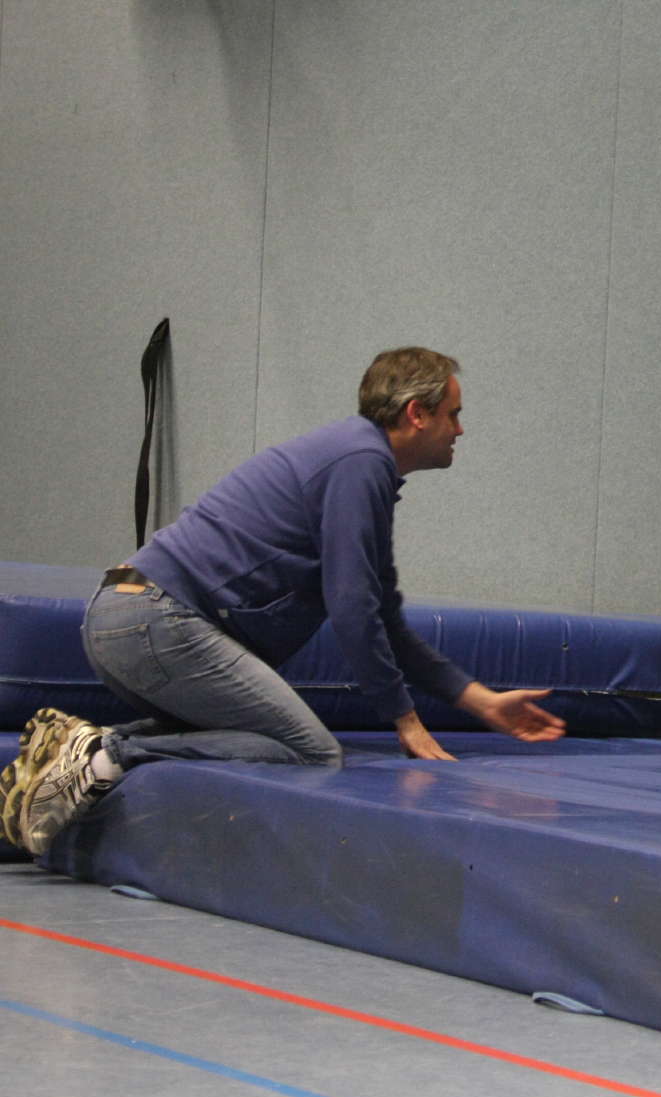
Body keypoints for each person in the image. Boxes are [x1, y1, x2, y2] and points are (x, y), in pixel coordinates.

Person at [1, 347, 566, 855]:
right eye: (453, 414)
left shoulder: (357, 463)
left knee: (256, 737)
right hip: (157, 620)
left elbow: (383, 616)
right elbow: (352, 608)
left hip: (129, 614)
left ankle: (82, 751)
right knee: (312, 751)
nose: (460, 429)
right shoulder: (360, 463)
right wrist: (406, 719)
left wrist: (480, 702)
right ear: (417, 413)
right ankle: (108, 753)